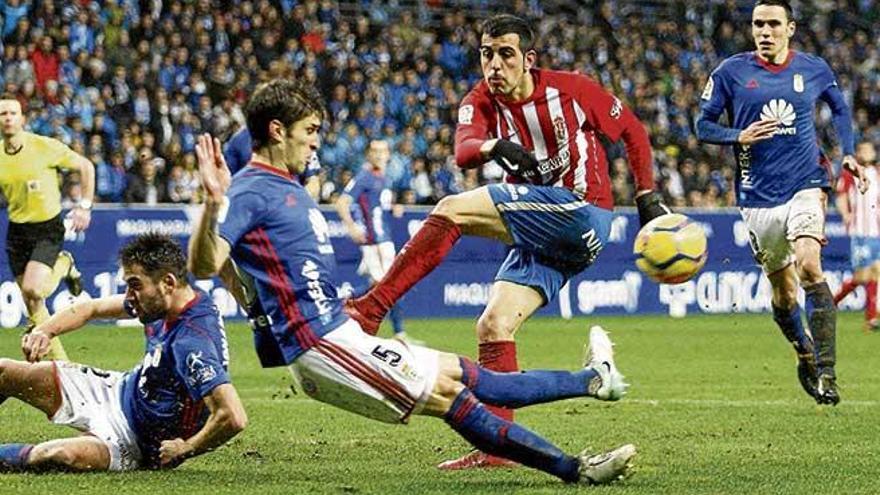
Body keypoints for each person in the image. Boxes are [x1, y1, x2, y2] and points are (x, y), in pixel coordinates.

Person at [188, 79, 636, 485]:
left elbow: (243, 275)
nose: (315, 144)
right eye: (310, 131)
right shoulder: (248, 190)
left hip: (337, 332)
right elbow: (208, 264)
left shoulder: (286, 185)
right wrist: (212, 206)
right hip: (321, 346)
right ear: (277, 130)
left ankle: (593, 381)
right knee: (450, 395)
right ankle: (575, 469)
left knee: (469, 375)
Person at [344, 14, 667, 469]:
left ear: (528, 59)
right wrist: (496, 147)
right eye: (486, 54)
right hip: (547, 234)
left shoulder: (572, 89)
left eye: (506, 54)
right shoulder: (480, 100)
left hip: (582, 212)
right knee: (493, 327)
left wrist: (647, 196)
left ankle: (371, 309)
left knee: (449, 211)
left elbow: (631, 129)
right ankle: (496, 449)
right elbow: (463, 151)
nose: (494, 65)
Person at [695, 0, 869, 405]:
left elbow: (840, 108)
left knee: (810, 265)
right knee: (785, 295)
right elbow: (701, 125)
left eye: (773, 24)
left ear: (790, 28)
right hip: (757, 197)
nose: (765, 31)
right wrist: (738, 135)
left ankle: (828, 373)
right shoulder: (730, 72)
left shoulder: (813, 68)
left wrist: (847, 151)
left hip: (807, 182)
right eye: (759, 24)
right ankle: (804, 353)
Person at [0, 233, 246, 472]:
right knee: (3, 372)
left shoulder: (191, 341)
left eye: (135, 285)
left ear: (168, 283)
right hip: (116, 391)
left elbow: (232, 416)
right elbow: (91, 308)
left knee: (57, 455)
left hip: (136, 442)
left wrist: (186, 448)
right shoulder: (169, 302)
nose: (129, 296)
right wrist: (45, 331)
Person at [0, 93, 95, 361]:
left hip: (46, 228)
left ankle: (64, 263)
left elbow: (86, 167)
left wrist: (84, 206)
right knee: (33, 304)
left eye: (12, 113)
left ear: (22, 119)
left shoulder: (43, 147)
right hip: (17, 231)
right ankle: (62, 367)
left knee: (33, 289)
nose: (7, 118)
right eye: (2, 114)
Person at [334, 139, 408, 340]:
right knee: (386, 284)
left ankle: (398, 332)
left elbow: (376, 206)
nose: (378, 155)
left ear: (388, 154)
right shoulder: (364, 176)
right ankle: (339, 304)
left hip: (384, 239)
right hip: (372, 241)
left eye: (382, 151)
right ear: (368, 154)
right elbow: (342, 203)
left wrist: (394, 208)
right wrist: (351, 228)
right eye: (374, 151)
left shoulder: (384, 177)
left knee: (386, 284)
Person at [833, 141, 880, 332]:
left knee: (876, 272)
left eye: (871, 149)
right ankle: (830, 304)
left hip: (876, 232)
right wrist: (845, 214)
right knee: (862, 276)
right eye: (864, 149)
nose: (869, 152)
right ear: (858, 153)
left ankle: (871, 319)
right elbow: (841, 196)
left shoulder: (877, 173)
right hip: (860, 232)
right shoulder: (850, 173)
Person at [223, 125, 321, 199]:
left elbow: (313, 183)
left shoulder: (297, 136)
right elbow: (228, 183)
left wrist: (295, 204)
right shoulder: (239, 140)